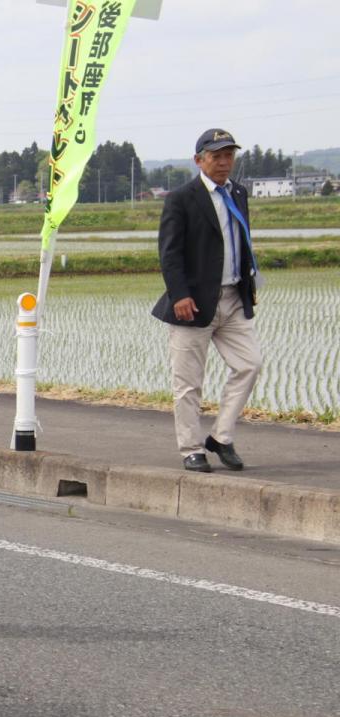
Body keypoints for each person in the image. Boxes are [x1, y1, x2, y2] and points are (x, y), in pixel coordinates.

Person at [152, 128, 262, 473]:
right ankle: (191, 449)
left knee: (250, 365)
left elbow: (240, 242)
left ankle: (221, 437)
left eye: (229, 155)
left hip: (233, 298)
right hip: (194, 303)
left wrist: (249, 285)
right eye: (216, 156)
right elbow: (169, 252)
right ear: (199, 160)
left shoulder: (238, 192)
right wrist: (180, 294)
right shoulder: (182, 198)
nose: (224, 162)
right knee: (188, 384)